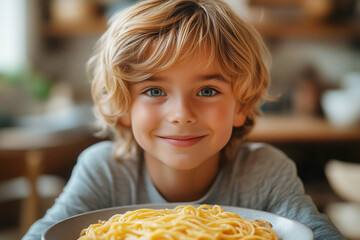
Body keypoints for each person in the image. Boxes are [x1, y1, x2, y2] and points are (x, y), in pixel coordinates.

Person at [23, 0, 344, 239]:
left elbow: (317, 234)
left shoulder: (265, 172)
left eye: (207, 90)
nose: (181, 115)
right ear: (123, 106)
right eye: (153, 90)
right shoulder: (103, 171)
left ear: (240, 106)